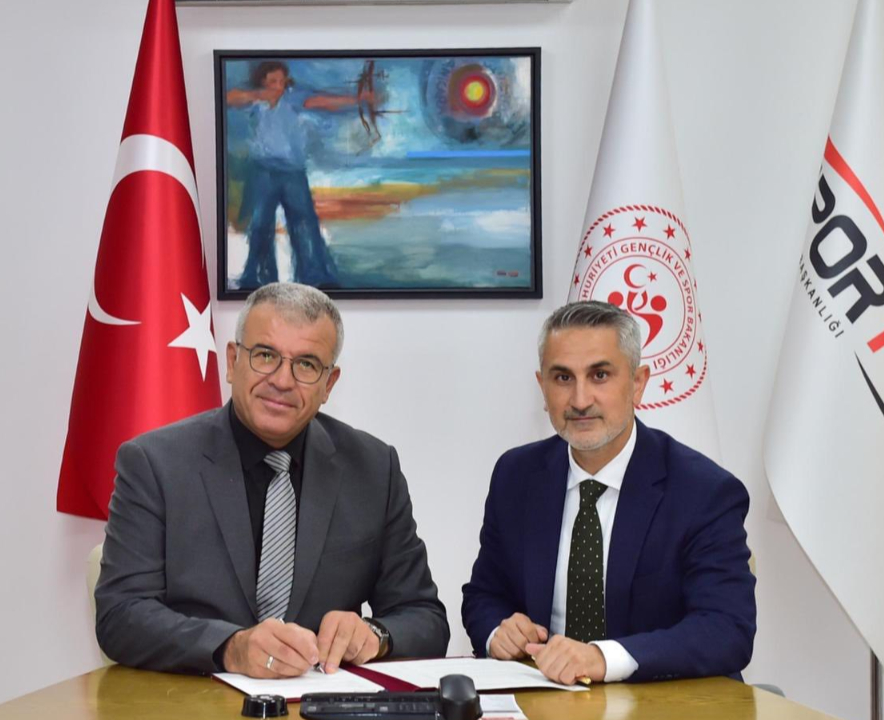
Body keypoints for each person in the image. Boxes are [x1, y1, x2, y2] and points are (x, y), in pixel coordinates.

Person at [96, 282, 448, 676]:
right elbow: (120, 615)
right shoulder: (154, 464)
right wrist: (230, 648)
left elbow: (425, 619)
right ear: (232, 362)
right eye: (265, 355)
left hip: (319, 698)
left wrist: (375, 635)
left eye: (307, 364)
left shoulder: (374, 469)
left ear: (329, 384)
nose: (282, 380)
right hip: (193, 696)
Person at [461, 301, 756, 685]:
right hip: (547, 699)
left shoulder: (703, 491)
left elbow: (726, 628)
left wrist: (603, 658)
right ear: (542, 387)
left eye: (599, 375)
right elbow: (484, 595)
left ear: (638, 383)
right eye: (562, 378)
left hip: (662, 700)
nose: (580, 400)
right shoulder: (516, 476)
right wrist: (498, 633)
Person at [226, 61, 368, 289]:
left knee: (304, 224)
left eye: (282, 82)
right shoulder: (255, 102)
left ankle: (315, 277)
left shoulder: (293, 98)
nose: (278, 87)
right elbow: (229, 98)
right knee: (260, 225)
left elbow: (324, 102)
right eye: (273, 82)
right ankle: (258, 277)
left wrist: (359, 100)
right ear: (263, 82)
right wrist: (260, 95)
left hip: (293, 172)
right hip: (263, 171)